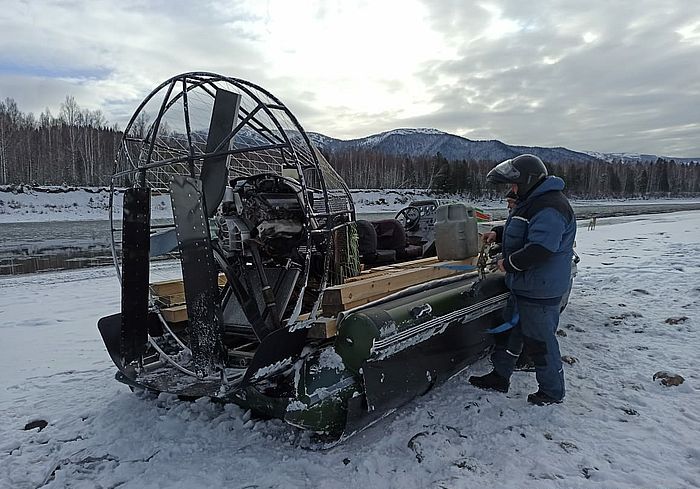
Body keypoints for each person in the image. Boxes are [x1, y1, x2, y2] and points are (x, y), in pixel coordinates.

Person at [470, 154, 576, 405]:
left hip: (541, 290)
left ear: (528, 181)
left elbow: (540, 249)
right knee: (510, 334)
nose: (512, 190)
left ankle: (551, 391)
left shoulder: (551, 207)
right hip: (524, 287)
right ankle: (500, 376)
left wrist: (508, 264)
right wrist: (498, 233)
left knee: (540, 343)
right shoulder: (533, 202)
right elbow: (522, 228)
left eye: (515, 185)